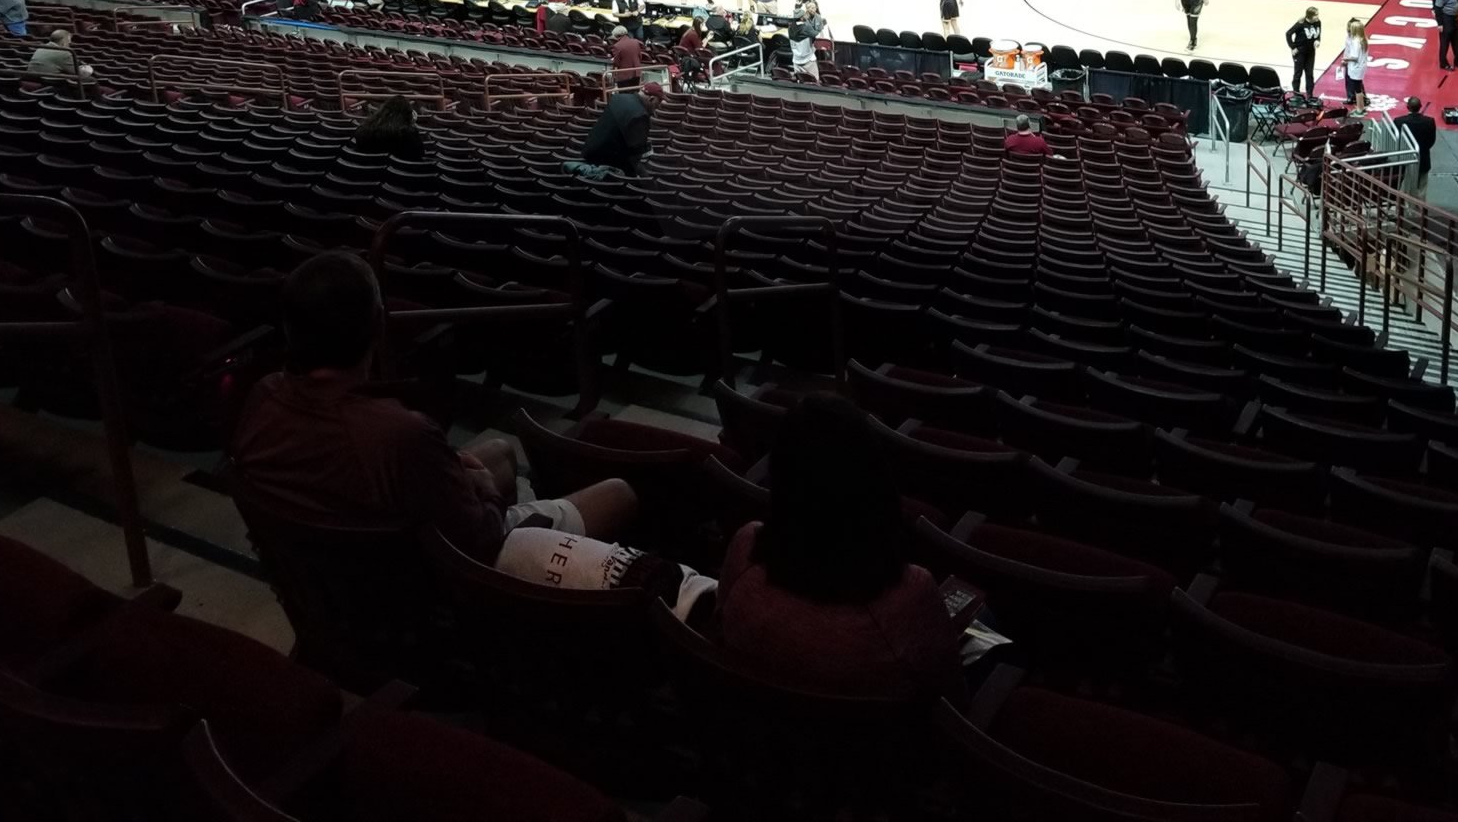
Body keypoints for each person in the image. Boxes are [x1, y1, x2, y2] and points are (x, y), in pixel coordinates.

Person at [232, 254, 695, 604]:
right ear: (377, 326)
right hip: (436, 583)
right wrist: (482, 493)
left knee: (498, 450)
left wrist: (463, 475)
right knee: (620, 491)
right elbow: (479, 542)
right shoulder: (398, 434)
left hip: (334, 572)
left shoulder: (262, 398)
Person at [718, 393, 960, 698]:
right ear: (874, 480)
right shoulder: (909, 596)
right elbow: (950, 695)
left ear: (780, 476)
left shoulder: (745, 549)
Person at [581, 89, 653, 176]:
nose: (659, 106)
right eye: (659, 101)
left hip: (589, 150)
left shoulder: (618, 98)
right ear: (651, 99)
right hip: (606, 161)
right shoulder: (640, 115)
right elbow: (635, 157)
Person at [353, 98, 424, 159]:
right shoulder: (408, 134)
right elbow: (419, 154)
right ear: (407, 116)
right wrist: (412, 125)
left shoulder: (364, 129)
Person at [1399, 96, 1438, 196]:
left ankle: (1408, 208)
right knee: (1422, 188)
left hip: (1406, 159)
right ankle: (1420, 209)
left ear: (1407, 107)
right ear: (1420, 107)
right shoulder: (1429, 122)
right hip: (1423, 158)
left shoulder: (1399, 121)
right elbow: (1431, 141)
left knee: (1407, 188)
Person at [1285, 6, 1322, 95]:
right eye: (1316, 15)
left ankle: (1310, 94)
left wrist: (1317, 40)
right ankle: (1296, 94)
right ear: (1310, 16)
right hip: (1300, 52)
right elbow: (1288, 33)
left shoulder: (1318, 22)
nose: (1318, 16)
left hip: (1311, 52)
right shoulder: (1301, 24)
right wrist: (1293, 47)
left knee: (1309, 74)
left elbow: (1318, 33)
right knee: (1298, 73)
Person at [787, 2, 827, 83]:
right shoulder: (806, 27)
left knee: (800, 81)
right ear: (802, 18)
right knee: (814, 82)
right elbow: (818, 35)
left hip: (796, 60)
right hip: (808, 61)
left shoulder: (790, 27)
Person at [1338, 19, 1370, 112]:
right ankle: (1361, 106)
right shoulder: (1363, 39)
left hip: (1356, 67)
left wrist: (1345, 59)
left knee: (1357, 89)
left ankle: (1360, 109)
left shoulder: (1356, 41)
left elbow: (1355, 56)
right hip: (1361, 66)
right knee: (1358, 88)